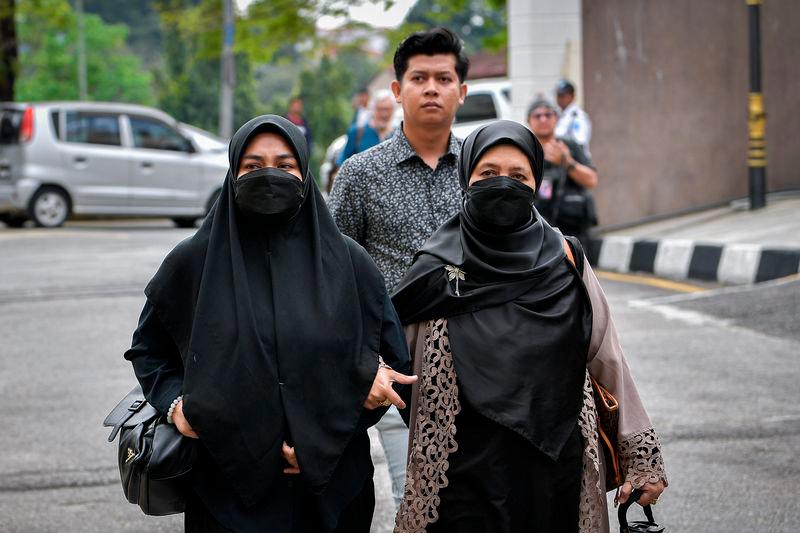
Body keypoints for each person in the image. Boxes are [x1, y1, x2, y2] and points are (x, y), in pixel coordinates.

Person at [124, 114, 415, 532]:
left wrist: (360, 397)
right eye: (253, 166)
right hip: (226, 491)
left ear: (304, 173)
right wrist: (174, 404)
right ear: (233, 174)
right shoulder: (194, 262)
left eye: (284, 166)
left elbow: (389, 359)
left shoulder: (350, 263)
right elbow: (149, 350)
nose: (269, 176)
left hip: (332, 488)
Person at [391, 120, 667, 533]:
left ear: (536, 182)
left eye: (518, 176)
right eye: (488, 174)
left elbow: (607, 357)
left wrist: (641, 458)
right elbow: (392, 356)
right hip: (460, 474)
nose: (503, 185)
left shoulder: (565, 258)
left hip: (555, 468)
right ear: (467, 178)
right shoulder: (435, 269)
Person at [328, 26, 469, 508]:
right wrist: (362, 365)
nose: (432, 88)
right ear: (396, 89)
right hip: (398, 371)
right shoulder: (360, 175)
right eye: (419, 77)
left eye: (444, 78)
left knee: (478, 501)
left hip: (484, 366)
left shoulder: (483, 171)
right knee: (419, 500)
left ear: (462, 91)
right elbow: (332, 277)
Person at [528, 98, 598, 252]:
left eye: (548, 115)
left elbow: (591, 180)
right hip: (539, 229)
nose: (543, 119)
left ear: (557, 119)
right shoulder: (526, 149)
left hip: (573, 228)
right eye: (537, 116)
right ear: (529, 120)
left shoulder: (569, 145)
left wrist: (567, 162)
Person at [336, 90, 397, 166]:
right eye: (380, 109)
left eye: (387, 109)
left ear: (393, 111)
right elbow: (342, 164)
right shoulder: (356, 133)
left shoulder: (399, 134)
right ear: (372, 110)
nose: (384, 114)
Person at [555, 79, 592, 154]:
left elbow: (579, 144)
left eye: (563, 96)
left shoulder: (577, 117)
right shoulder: (558, 115)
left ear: (572, 96)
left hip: (576, 161)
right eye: (558, 95)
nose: (560, 99)